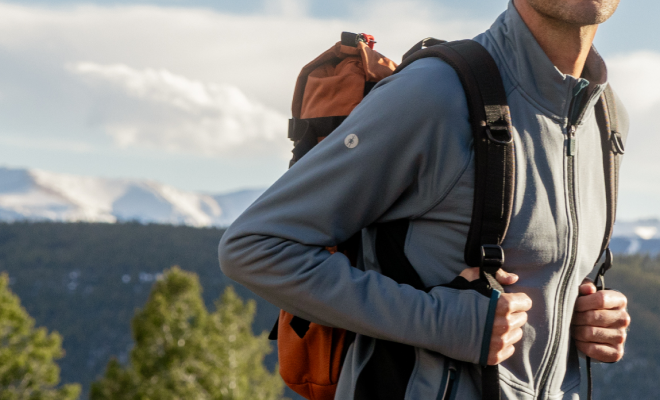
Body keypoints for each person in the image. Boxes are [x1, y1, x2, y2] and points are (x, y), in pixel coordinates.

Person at [218, 0, 632, 398]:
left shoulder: (606, 119)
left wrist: (583, 320)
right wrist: (442, 323)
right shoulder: (436, 93)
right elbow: (253, 247)